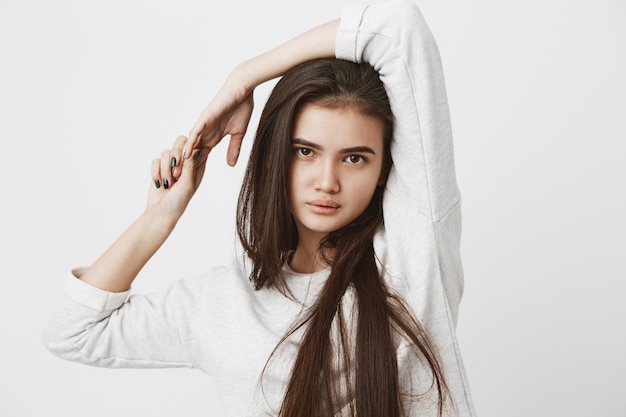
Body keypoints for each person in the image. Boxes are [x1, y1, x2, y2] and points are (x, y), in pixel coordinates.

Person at [43, 0, 476, 416]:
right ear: (271, 157)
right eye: (305, 151)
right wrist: (158, 218)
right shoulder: (225, 303)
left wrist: (245, 76)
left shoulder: (413, 255)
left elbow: (395, 26)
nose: (327, 181)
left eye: (354, 158)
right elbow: (74, 333)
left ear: (386, 169)